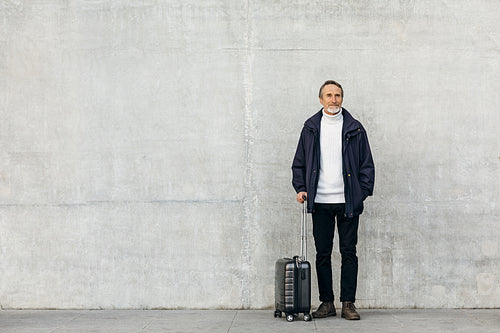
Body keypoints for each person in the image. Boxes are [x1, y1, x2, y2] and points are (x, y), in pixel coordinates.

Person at [291, 80, 375, 320]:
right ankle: (326, 303)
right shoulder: (310, 127)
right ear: (321, 99)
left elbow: (367, 165)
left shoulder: (355, 128)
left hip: (347, 201)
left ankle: (348, 303)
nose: (333, 99)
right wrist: (301, 187)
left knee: (349, 252)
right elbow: (300, 162)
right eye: (328, 95)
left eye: (337, 95)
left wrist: (361, 192)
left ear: (342, 98)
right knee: (322, 254)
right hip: (320, 201)